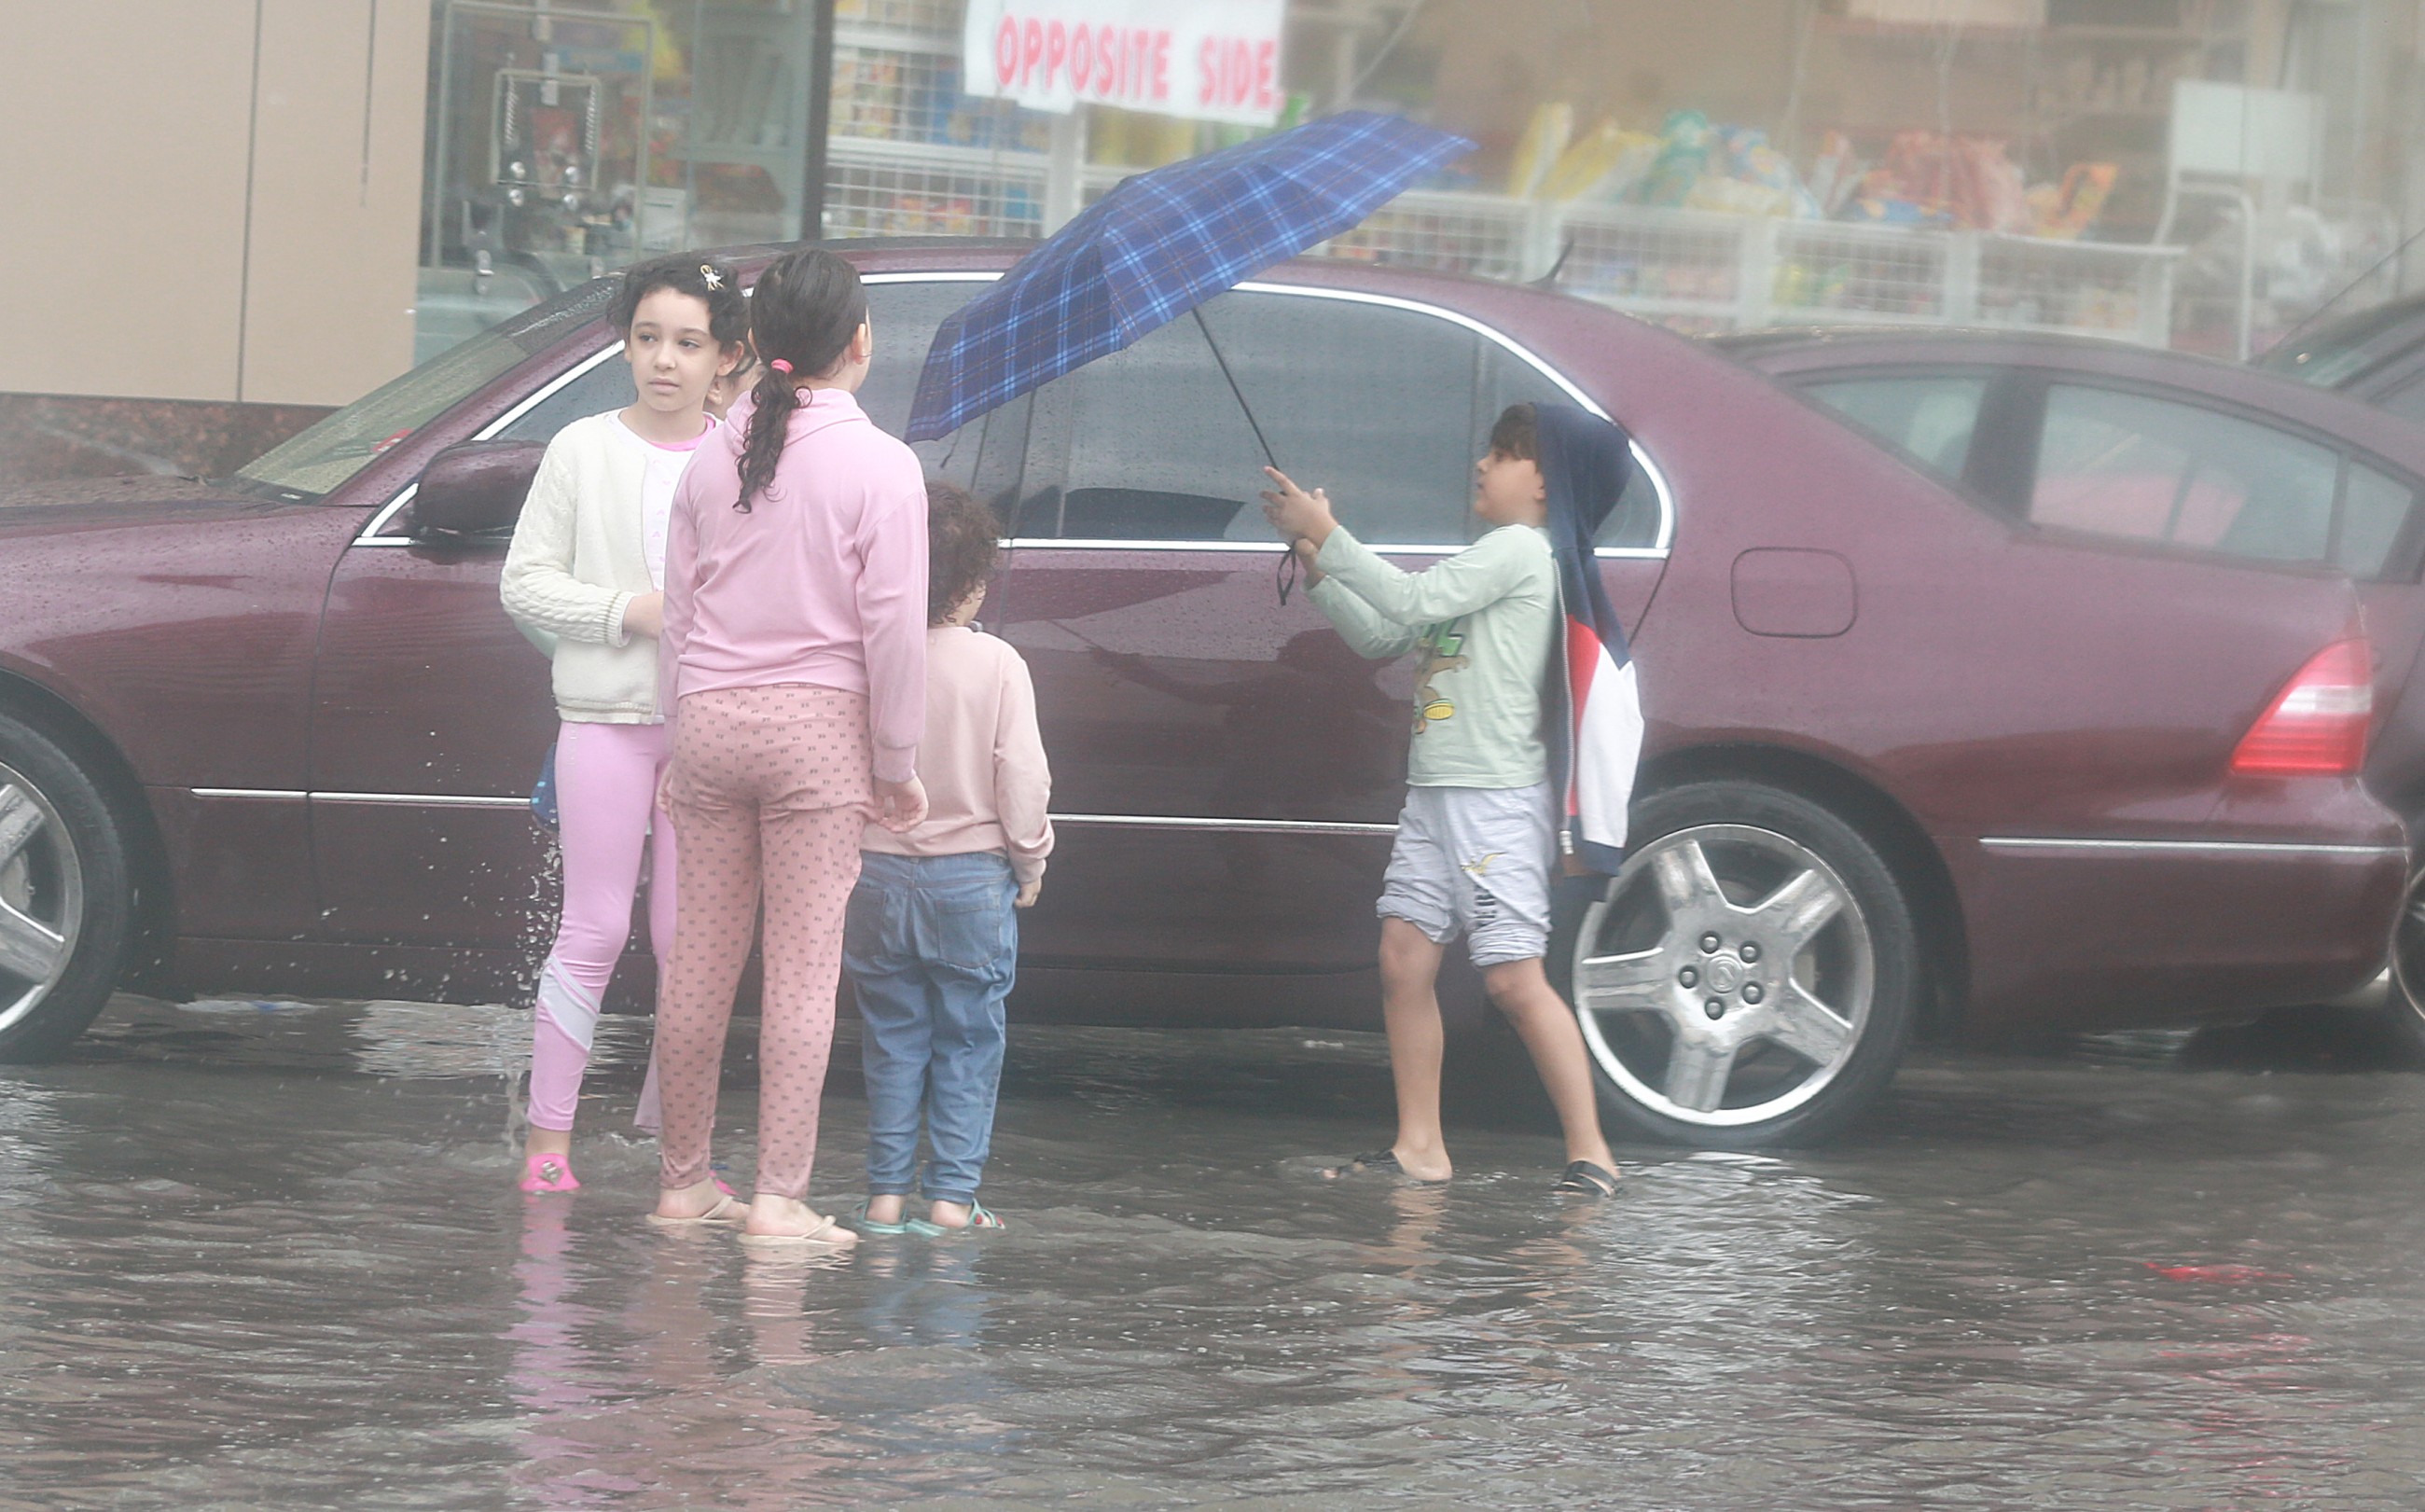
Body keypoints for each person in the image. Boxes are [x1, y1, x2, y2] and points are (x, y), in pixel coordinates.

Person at [1259, 403, 1622, 1198]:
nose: (1482, 463)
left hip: (1494, 801)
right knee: (1403, 957)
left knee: (1514, 980)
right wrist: (1319, 566)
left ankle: (1593, 1152)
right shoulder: (1491, 555)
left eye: (1504, 453)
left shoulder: (1520, 550)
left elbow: (1410, 600)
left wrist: (1328, 530)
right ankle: (1420, 1146)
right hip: (1436, 795)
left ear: (1547, 483)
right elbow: (1388, 634)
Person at [650, 246, 930, 1245]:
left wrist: (677, 743)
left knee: (700, 957)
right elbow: (893, 632)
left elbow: (680, 618)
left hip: (710, 722)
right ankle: (776, 1197)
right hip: (818, 733)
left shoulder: (707, 458)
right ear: (859, 342)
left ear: (754, 342)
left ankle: (684, 1184)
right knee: (803, 971)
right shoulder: (883, 467)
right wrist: (896, 762)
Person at [500, 255, 746, 1195]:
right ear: (626, 345)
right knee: (593, 927)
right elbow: (524, 582)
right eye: (648, 338)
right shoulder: (580, 448)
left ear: (724, 356)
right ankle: (548, 1144)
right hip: (601, 722)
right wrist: (628, 612)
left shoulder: (741, 457)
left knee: (691, 940)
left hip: (706, 732)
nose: (665, 359)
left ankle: (681, 1150)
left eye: (688, 342)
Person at [846, 482, 1051, 1238]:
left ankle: (884, 1198)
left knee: (891, 1036)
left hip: (873, 872)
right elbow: (1022, 776)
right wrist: (1031, 862)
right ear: (972, 583)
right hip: (970, 877)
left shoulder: (862, 656)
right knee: (968, 1038)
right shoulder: (997, 662)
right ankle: (952, 1201)